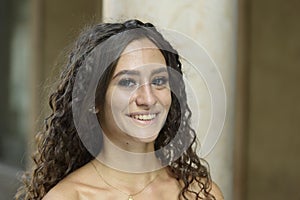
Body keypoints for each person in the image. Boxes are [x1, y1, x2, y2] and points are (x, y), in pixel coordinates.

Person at [16, 19, 224, 200]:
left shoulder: (201, 194)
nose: (148, 99)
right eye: (127, 82)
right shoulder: (69, 197)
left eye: (159, 80)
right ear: (93, 101)